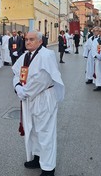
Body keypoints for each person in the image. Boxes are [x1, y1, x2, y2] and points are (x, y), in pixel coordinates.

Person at [12, 30, 65, 176]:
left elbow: (41, 80)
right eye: (26, 39)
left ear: (40, 41)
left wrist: (23, 91)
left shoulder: (46, 55)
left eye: (31, 39)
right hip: (29, 99)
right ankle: (37, 157)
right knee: (33, 130)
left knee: (45, 132)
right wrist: (17, 86)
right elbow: (16, 72)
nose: (28, 42)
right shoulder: (25, 56)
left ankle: (48, 168)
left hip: (43, 98)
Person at [91, 27, 101, 91]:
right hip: (98, 60)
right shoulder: (95, 40)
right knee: (98, 72)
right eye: (100, 31)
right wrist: (96, 56)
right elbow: (93, 49)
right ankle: (99, 85)